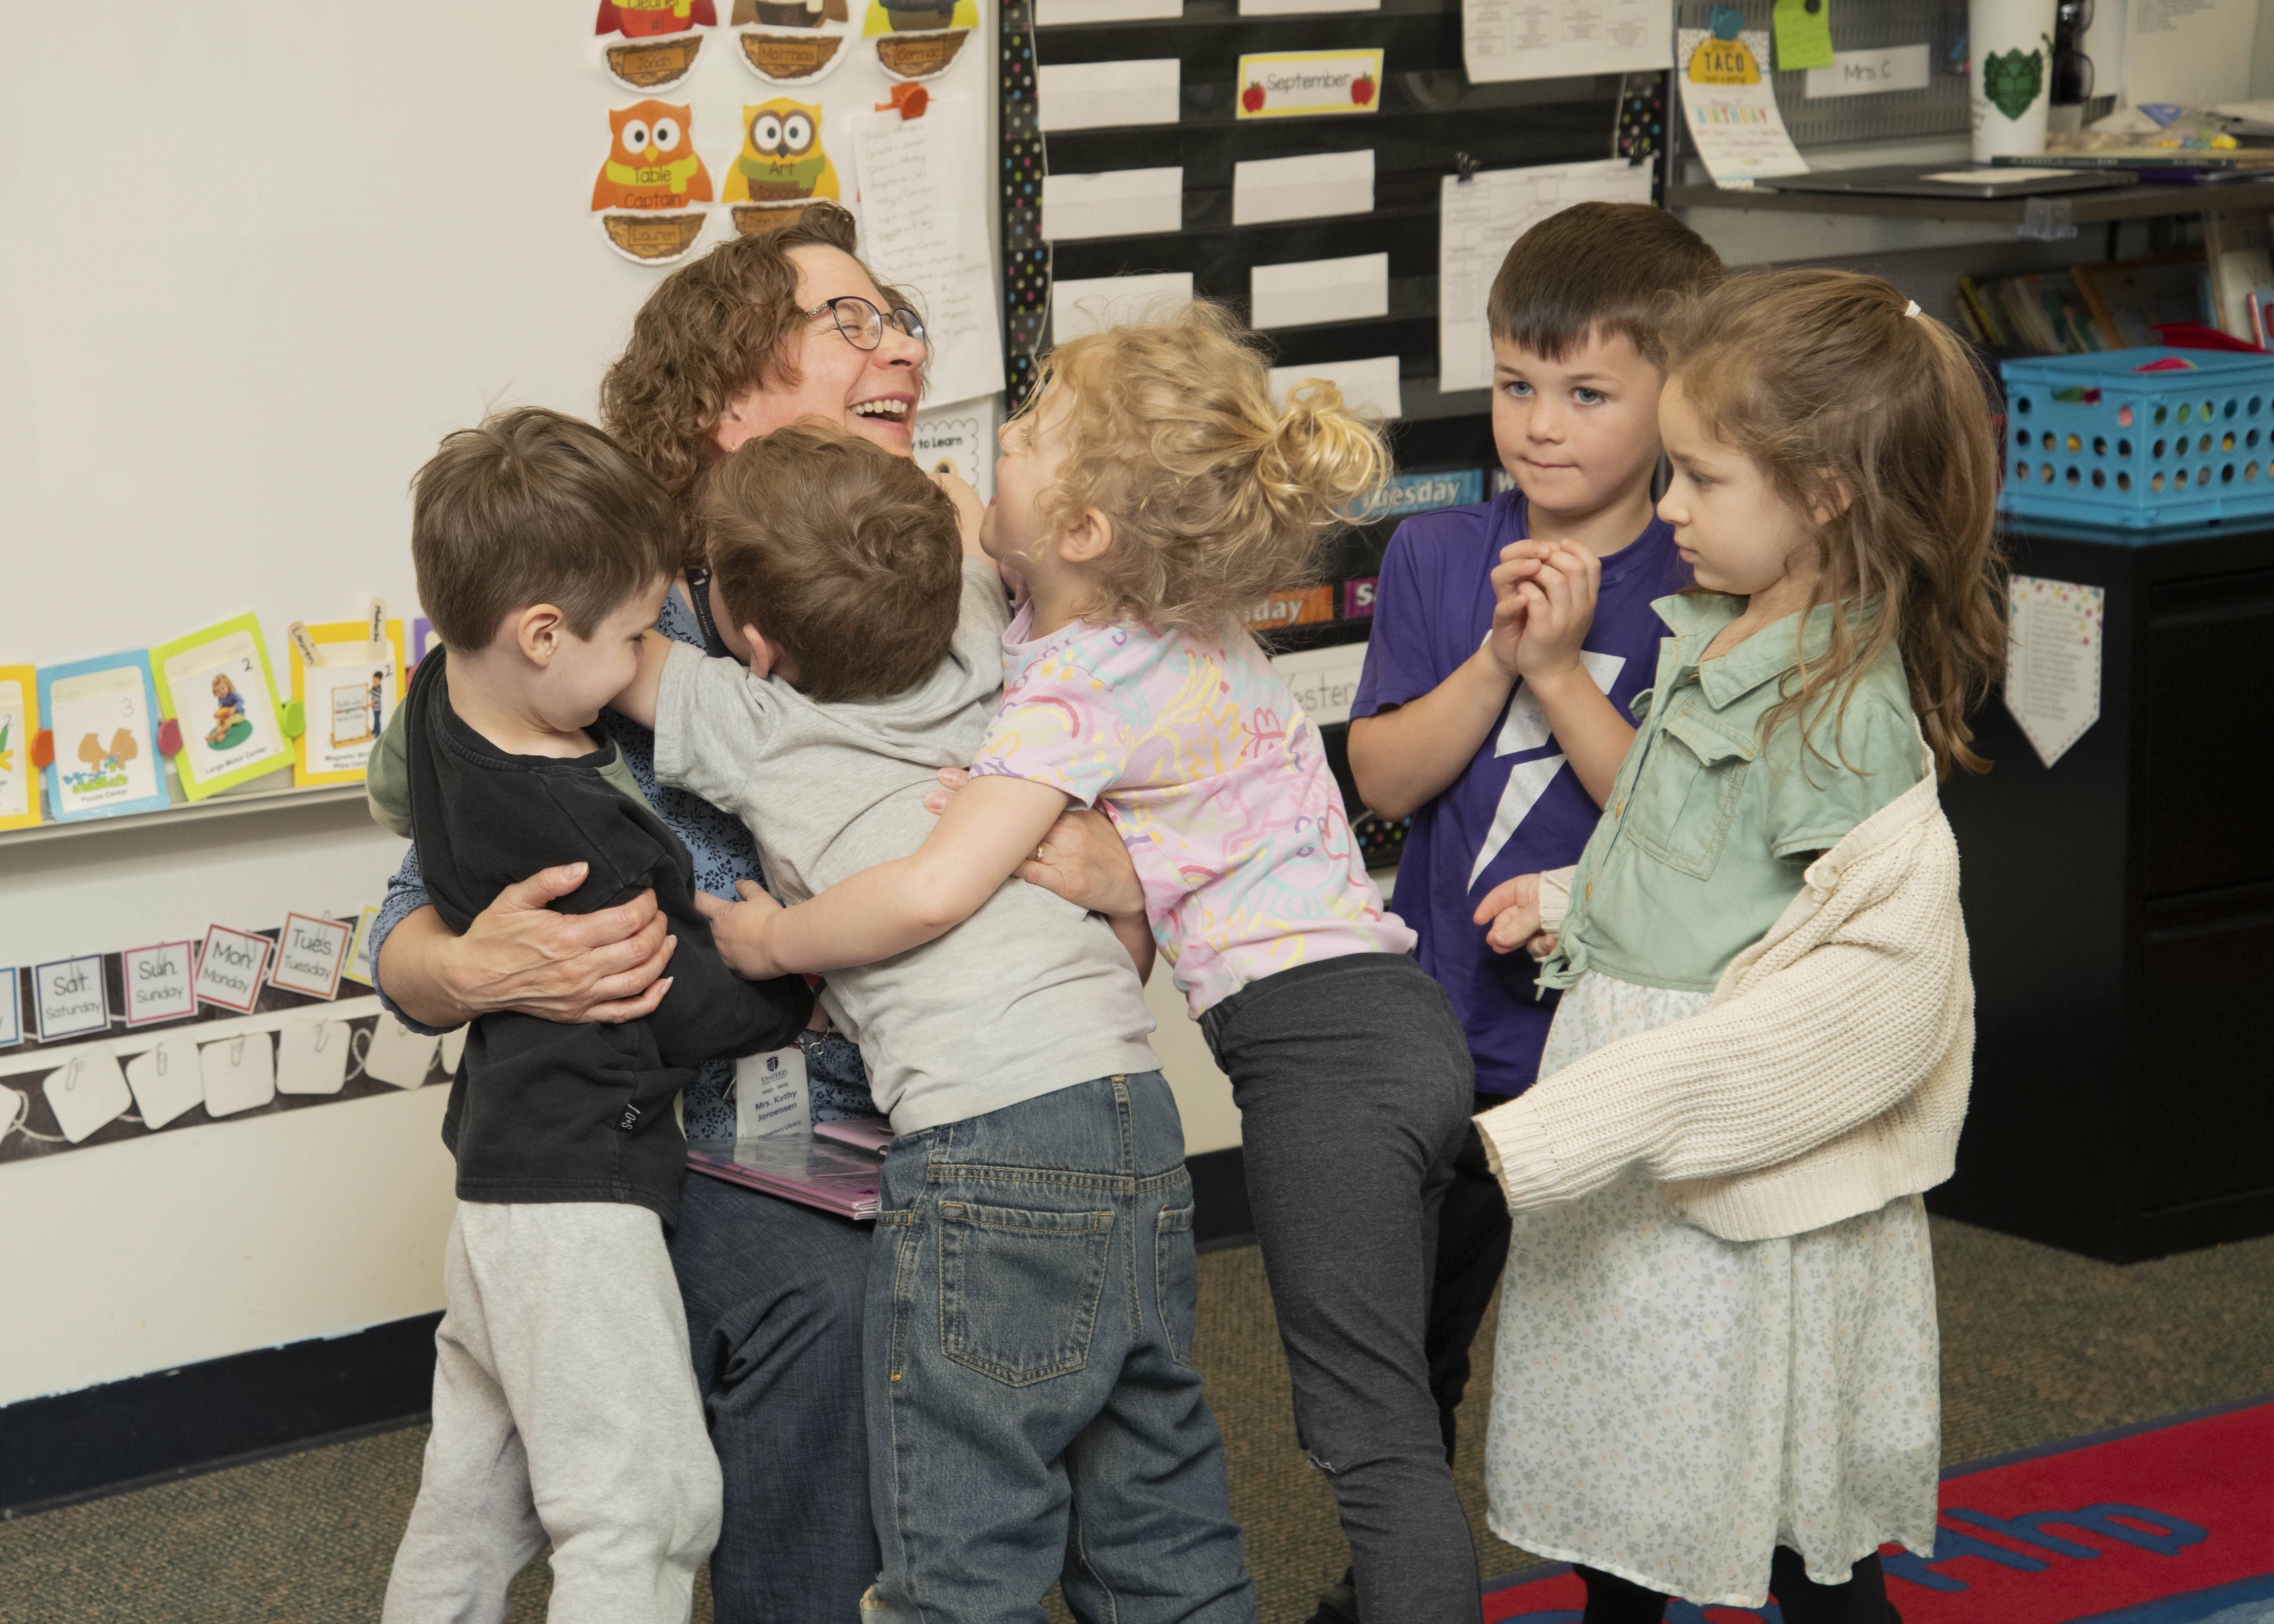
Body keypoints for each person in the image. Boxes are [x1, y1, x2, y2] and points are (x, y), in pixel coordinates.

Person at [709, 303, 1483, 1624]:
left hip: (1318, 1062)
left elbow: (943, 882)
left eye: (1017, 440)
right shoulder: (1172, 628)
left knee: (1369, 1435)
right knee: (1334, 1413)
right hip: (1389, 1028)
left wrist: (778, 937)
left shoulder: (1073, 690)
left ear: (1079, 533)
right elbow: (1178, 867)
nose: (984, 456)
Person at [363, 202, 996, 1618]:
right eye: (846, 320)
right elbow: (409, 919)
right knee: (808, 1327)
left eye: (897, 313)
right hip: (697, 1133)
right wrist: (469, 964)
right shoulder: (604, 620)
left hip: (945, 1095)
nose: (895, 341)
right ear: (722, 400)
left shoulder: (969, 598)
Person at [609, 421, 1256, 1624]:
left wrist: (759, 940)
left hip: (984, 1143)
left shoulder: (756, 719)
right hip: (1133, 1104)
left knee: (962, 1540)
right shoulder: (982, 636)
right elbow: (960, 508)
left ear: (757, 644)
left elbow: (609, 653)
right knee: (1156, 1506)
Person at [1465, 269, 2002, 1622]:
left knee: (1762, 1501)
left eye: (1700, 481)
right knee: (1627, 1478)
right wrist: (1576, 904)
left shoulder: (1841, 711)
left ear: (1822, 491)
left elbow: (1850, 948)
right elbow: (1691, 860)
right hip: (1635, 1127)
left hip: (1733, 1159)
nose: (1667, 511)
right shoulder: (1722, 632)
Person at [1339, 204, 1721, 1622]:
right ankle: (1398, 1586)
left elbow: (1688, 833)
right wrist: (1502, 660)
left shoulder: (1705, 572)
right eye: (1514, 384)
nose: (1538, 426)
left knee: (1616, 1349)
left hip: (1616, 1041)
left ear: (1675, 404)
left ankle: (1622, 1599)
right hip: (1444, 1034)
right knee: (1411, 1349)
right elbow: (1380, 775)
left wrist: (1564, 672)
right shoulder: (1442, 558)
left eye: (1584, 393)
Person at [374, 409, 815, 1623]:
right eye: (629, 639)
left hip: (494, 1191)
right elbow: (669, 1000)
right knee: (645, 1508)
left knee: (474, 1501)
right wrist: (803, 970)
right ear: (540, 633)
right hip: (580, 1198)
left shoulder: (435, 710)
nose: (642, 665)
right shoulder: (586, 827)